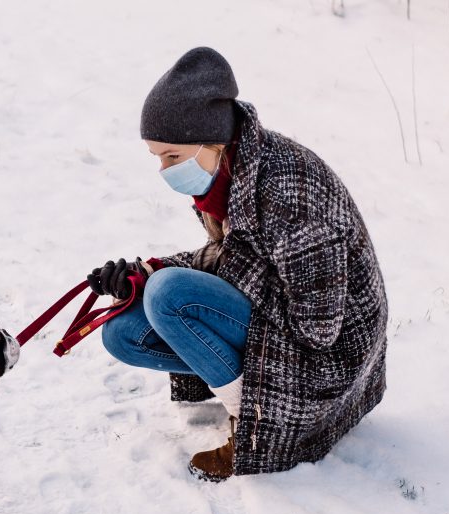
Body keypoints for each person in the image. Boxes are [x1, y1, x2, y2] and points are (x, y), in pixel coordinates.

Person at [89, 47, 388, 481]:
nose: (164, 170)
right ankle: (241, 385)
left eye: (172, 157)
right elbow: (234, 257)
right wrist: (144, 270)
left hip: (329, 355)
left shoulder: (290, 192)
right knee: (123, 334)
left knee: (170, 295)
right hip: (285, 320)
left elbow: (319, 329)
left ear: (212, 143)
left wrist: (169, 279)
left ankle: (252, 423)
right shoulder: (228, 175)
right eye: (157, 158)